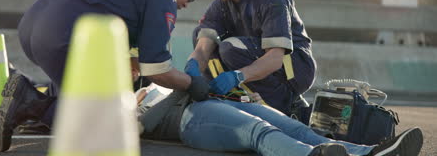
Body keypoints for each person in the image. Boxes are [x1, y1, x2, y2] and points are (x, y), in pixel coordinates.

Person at [0, 0, 210, 152]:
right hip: (64, 37)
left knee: (80, 87)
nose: (187, 5)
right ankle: (32, 104)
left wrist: (130, 62)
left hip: (33, 26)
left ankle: (48, 111)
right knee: (109, 123)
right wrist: (191, 83)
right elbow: (157, 70)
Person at [138, 74, 424, 156]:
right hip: (189, 117)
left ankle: (370, 153)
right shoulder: (128, 104)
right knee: (257, 131)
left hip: (216, 100)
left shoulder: (153, 77)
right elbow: (143, 125)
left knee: (297, 128)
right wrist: (184, 87)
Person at [185, 0, 316, 114]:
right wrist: (191, 72)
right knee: (202, 36)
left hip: (295, 67)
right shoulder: (220, 5)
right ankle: (232, 100)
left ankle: (286, 107)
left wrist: (237, 76)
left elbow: (275, 57)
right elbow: (202, 49)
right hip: (258, 59)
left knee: (229, 48)